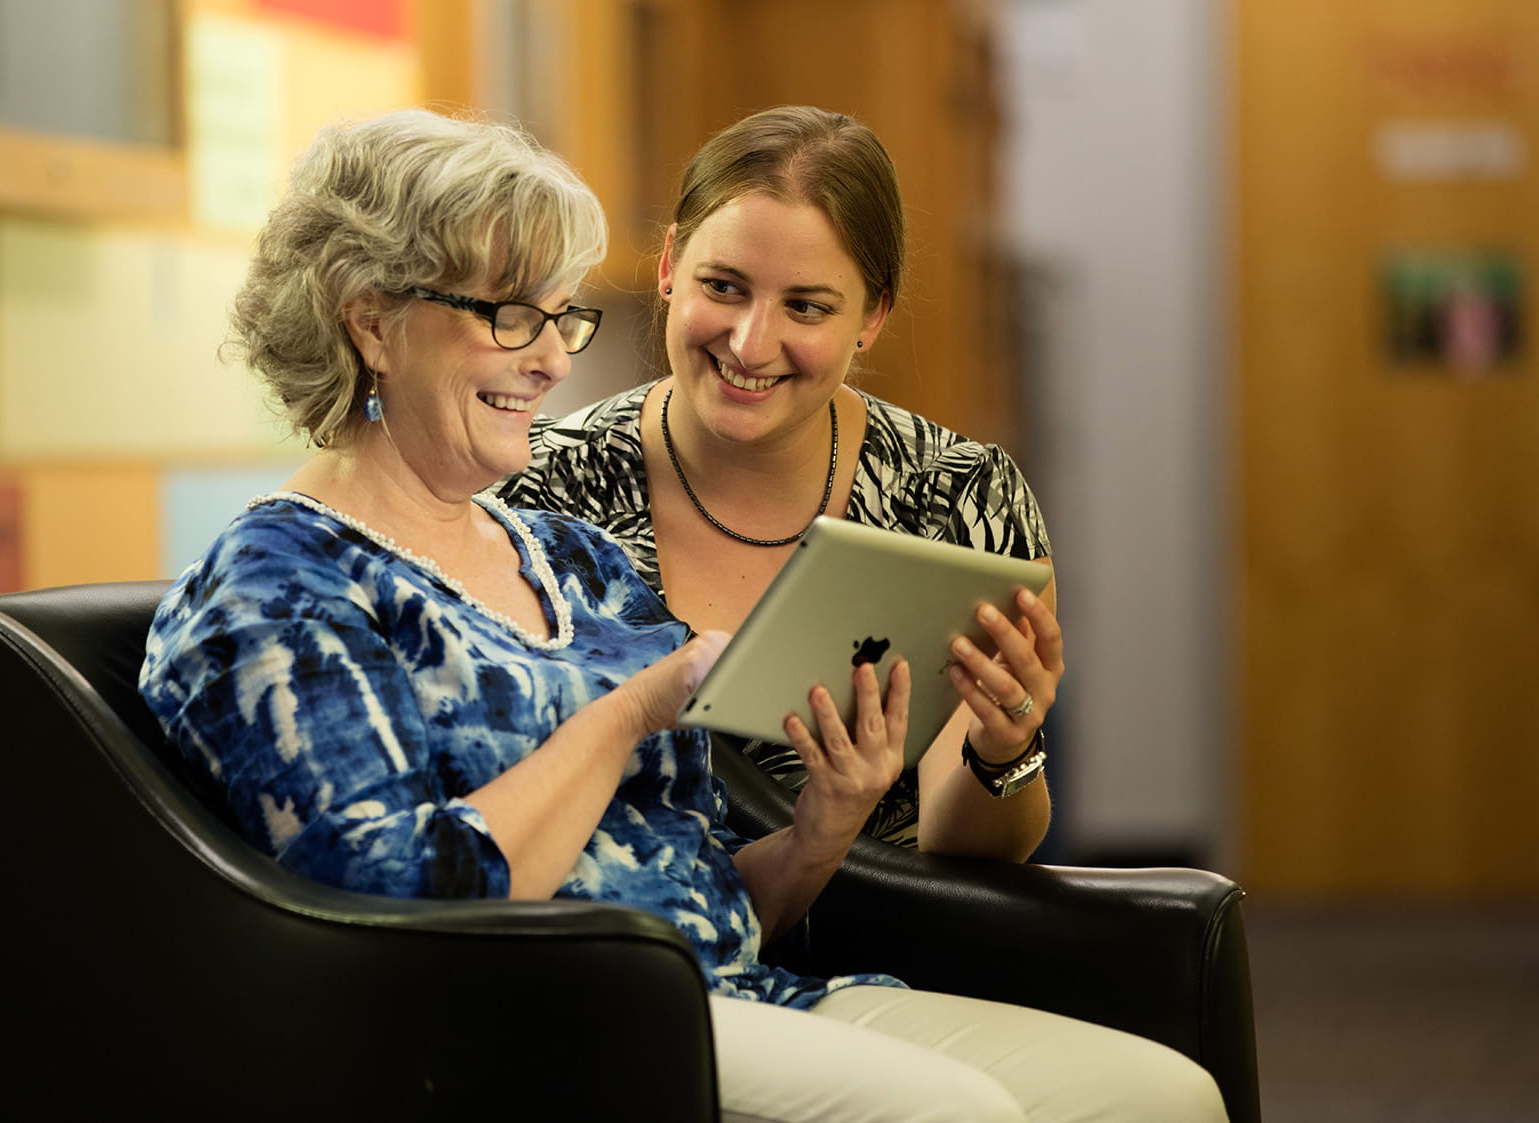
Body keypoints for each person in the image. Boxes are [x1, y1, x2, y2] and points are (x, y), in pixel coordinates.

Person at [140, 108, 1224, 1122]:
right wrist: (626, 715)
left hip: (737, 984)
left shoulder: (564, 554)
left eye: (557, 314)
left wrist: (818, 829)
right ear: (372, 323)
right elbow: (395, 909)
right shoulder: (279, 584)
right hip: (548, 1032)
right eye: (509, 314)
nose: (554, 356)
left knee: (1157, 1093)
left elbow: (697, 886)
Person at [497, 105, 1056, 859]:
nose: (752, 344)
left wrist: (1003, 750)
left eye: (805, 306)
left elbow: (970, 871)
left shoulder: (961, 500)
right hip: (623, 950)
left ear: (873, 315)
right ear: (669, 266)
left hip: (876, 958)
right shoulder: (534, 488)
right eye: (723, 286)